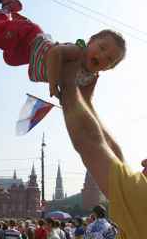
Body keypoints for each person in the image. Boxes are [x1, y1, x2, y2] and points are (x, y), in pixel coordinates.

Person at [59, 42, 147, 238]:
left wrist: (68, 80)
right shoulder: (138, 203)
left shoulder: (143, 200)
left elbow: (87, 140)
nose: (143, 161)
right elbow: (115, 157)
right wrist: (86, 103)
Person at [0, 0, 126, 99]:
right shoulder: (78, 52)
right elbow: (55, 53)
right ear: (90, 42)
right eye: (101, 48)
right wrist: (53, 85)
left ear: (108, 68)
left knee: (9, 59)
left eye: (109, 59)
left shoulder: (90, 80)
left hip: (29, 56)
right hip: (31, 37)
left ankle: (14, 20)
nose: (102, 56)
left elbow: (86, 102)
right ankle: (6, 9)